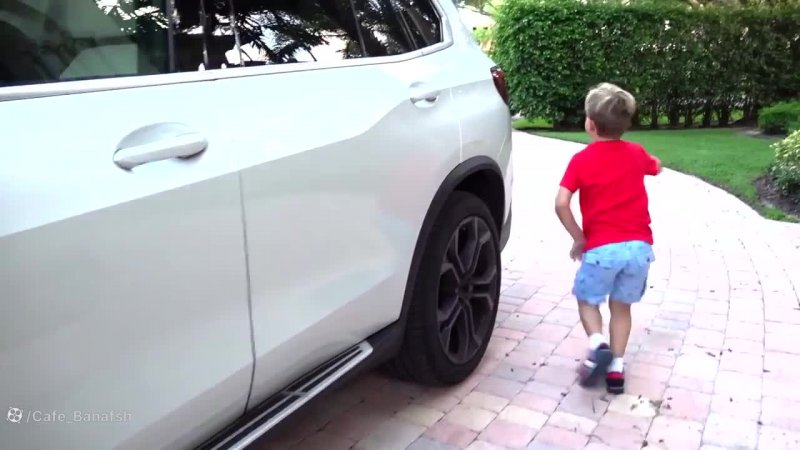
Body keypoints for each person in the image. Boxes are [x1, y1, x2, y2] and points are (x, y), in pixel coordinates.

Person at [554, 82, 662, 394]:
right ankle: (616, 369)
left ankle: (597, 342)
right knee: (621, 308)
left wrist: (579, 238)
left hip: (602, 250)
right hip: (639, 249)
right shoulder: (636, 153)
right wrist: (652, 163)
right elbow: (656, 167)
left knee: (587, 300)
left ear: (590, 124)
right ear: (625, 124)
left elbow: (561, 203)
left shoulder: (581, 160)